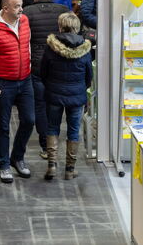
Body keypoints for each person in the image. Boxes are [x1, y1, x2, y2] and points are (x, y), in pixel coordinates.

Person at [0, 0, 35, 183]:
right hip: (4, 82)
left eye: (21, 5)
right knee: (3, 126)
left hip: (25, 80)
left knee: (29, 120)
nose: (21, 9)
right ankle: (4, 164)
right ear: (5, 8)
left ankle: (17, 157)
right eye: (17, 7)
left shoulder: (25, 21)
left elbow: (27, 45)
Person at [40, 12, 92, 181]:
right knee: (73, 131)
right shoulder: (85, 49)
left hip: (54, 94)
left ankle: (52, 165)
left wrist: (50, 85)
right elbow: (88, 76)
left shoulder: (51, 47)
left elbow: (43, 72)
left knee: (52, 128)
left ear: (61, 26)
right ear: (77, 27)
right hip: (76, 96)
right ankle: (70, 169)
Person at [23, 0, 70, 159]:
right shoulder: (63, 10)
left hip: (37, 65)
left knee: (40, 104)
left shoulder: (27, 13)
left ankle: (46, 144)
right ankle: (56, 138)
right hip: (59, 64)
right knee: (56, 104)